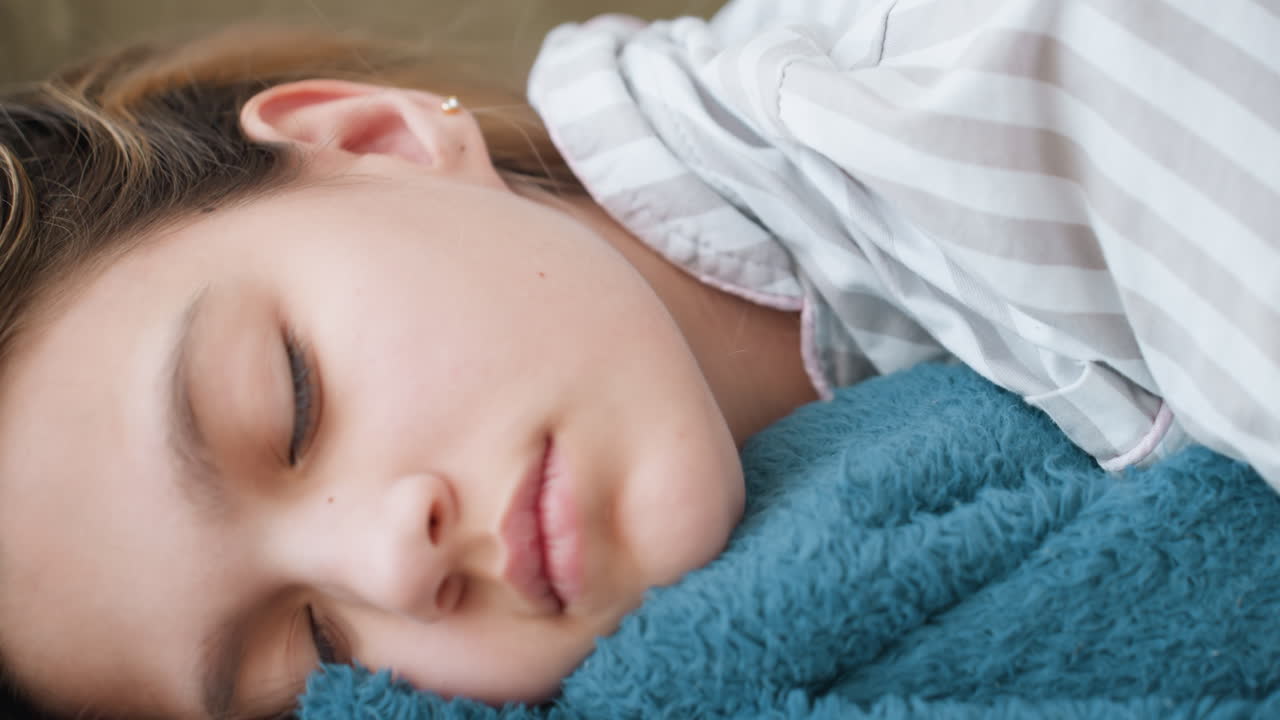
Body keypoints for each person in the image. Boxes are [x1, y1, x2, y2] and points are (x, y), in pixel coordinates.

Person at [0, 0, 1275, 718]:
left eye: (290, 403)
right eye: (316, 651)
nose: (390, 560)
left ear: (375, 138)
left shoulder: (1024, 62)